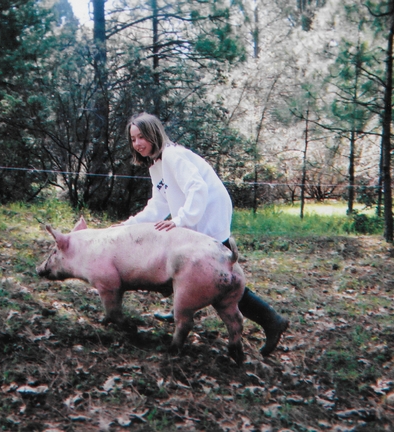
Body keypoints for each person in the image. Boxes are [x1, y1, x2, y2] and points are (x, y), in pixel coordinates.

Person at [119, 112, 289, 356]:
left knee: (219, 276)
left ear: (154, 134)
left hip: (210, 212)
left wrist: (181, 220)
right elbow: (158, 205)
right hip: (193, 216)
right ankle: (181, 307)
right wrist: (129, 224)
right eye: (133, 139)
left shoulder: (173, 155)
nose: (137, 143)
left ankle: (272, 320)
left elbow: (197, 187)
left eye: (142, 137)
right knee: (194, 267)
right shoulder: (156, 164)